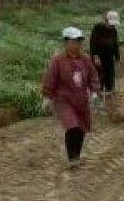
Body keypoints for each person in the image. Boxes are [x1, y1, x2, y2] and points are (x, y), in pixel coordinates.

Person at [42, 27, 102, 165]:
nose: (77, 44)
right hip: (64, 100)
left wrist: (94, 91)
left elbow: (93, 76)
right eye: (74, 41)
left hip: (81, 100)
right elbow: (51, 78)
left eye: (79, 41)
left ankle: (77, 155)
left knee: (81, 127)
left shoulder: (85, 60)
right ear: (66, 42)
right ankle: (71, 157)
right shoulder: (58, 61)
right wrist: (47, 96)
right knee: (72, 125)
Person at [90, 10, 121, 94]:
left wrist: (117, 57)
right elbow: (93, 42)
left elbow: (115, 44)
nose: (112, 26)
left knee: (110, 72)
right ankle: (98, 91)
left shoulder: (113, 30)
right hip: (99, 55)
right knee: (99, 73)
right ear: (106, 20)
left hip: (109, 55)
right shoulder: (98, 28)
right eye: (111, 24)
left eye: (113, 24)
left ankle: (110, 89)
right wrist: (95, 56)